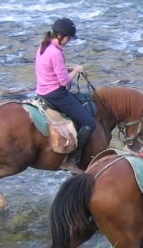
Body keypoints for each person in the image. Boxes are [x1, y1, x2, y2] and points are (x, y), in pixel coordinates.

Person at [35, 17, 97, 170]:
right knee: (90, 123)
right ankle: (72, 158)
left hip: (42, 91)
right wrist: (76, 70)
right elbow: (64, 82)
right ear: (60, 36)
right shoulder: (56, 53)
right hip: (56, 94)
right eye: (68, 38)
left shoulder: (44, 46)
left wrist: (66, 68)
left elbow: (51, 68)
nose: (69, 40)